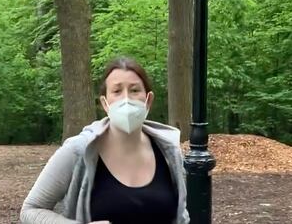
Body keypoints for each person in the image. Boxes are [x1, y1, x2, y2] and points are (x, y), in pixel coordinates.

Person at [20, 57, 189, 224]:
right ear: (105, 103)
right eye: (117, 91)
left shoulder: (169, 152)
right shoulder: (79, 150)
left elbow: (182, 214)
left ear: (148, 100)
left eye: (134, 90)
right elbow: (31, 209)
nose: (126, 99)